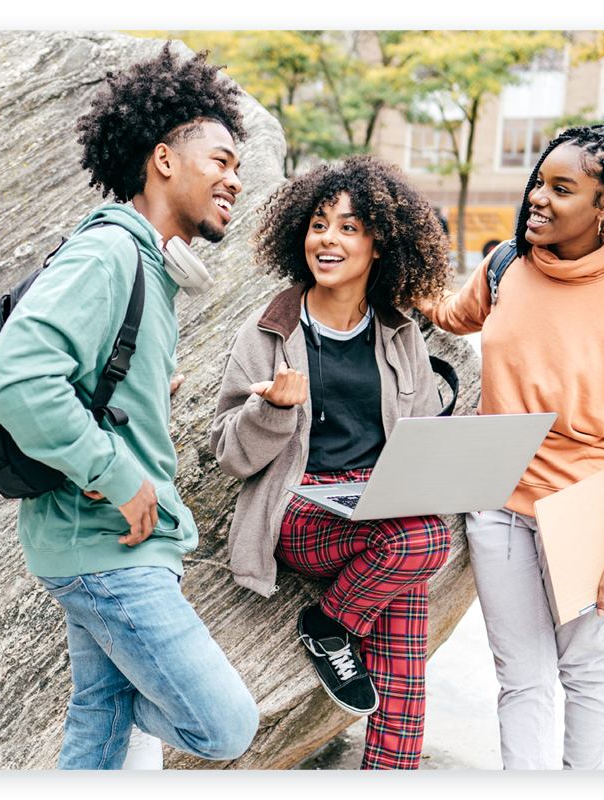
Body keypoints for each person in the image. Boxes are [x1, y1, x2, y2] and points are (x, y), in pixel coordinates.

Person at [0, 43, 259, 771]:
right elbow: (15, 374)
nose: (236, 178)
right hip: (106, 548)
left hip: (105, 546)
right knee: (224, 725)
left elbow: (74, 379)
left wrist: (137, 395)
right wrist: (117, 472)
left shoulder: (148, 268)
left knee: (99, 726)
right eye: (221, 160)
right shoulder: (111, 254)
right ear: (163, 159)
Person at [416, 124, 604, 770]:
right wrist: (385, 271)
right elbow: (453, 314)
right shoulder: (507, 265)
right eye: (539, 181)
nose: (539, 197)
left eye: (562, 189)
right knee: (520, 676)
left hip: (584, 508)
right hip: (497, 499)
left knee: (585, 671)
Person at [210, 155, 453, 770]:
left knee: (404, 662)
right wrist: (273, 412)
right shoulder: (269, 330)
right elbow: (230, 455)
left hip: (382, 512)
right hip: (299, 510)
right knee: (426, 538)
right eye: (319, 224)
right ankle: (325, 624)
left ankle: (390, 768)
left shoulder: (400, 334)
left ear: (380, 245)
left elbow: (420, 437)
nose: (329, 239)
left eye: (349, 227)